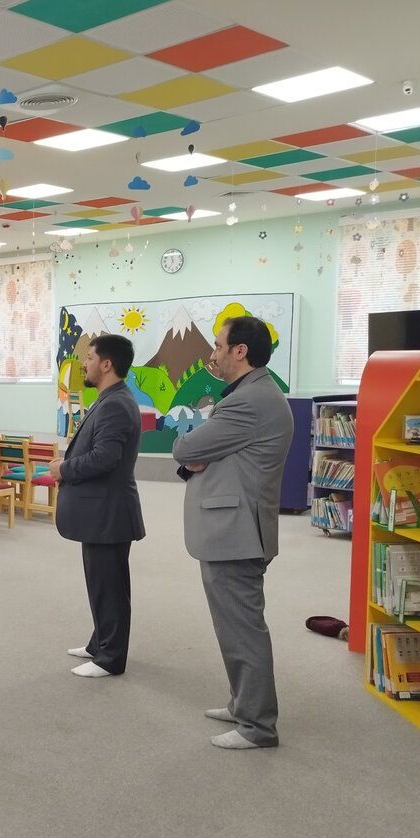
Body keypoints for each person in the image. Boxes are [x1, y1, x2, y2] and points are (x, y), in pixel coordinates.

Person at [173, 316, 293, 750]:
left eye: (219, 346)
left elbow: (185, 448)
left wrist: (199, 452)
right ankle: (243, 702)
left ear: (240, 351)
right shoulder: (252, 395)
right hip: (234, 529)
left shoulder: (249, 400)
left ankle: (257, 726)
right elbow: (202, 455)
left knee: (243, 630)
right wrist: (204, 454)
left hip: (237, 534)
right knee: (233, 627)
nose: (213, 354)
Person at [52, 334, 145, 678]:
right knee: (101, 583)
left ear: (107, 364)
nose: (84, 364)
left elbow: (105, 458)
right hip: (100, 513)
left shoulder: (116, 404)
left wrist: (63, 469)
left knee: (110, 587)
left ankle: (110, 659)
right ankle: (100, 644)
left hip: (109, 513)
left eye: (89, 358)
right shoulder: (109, 399)